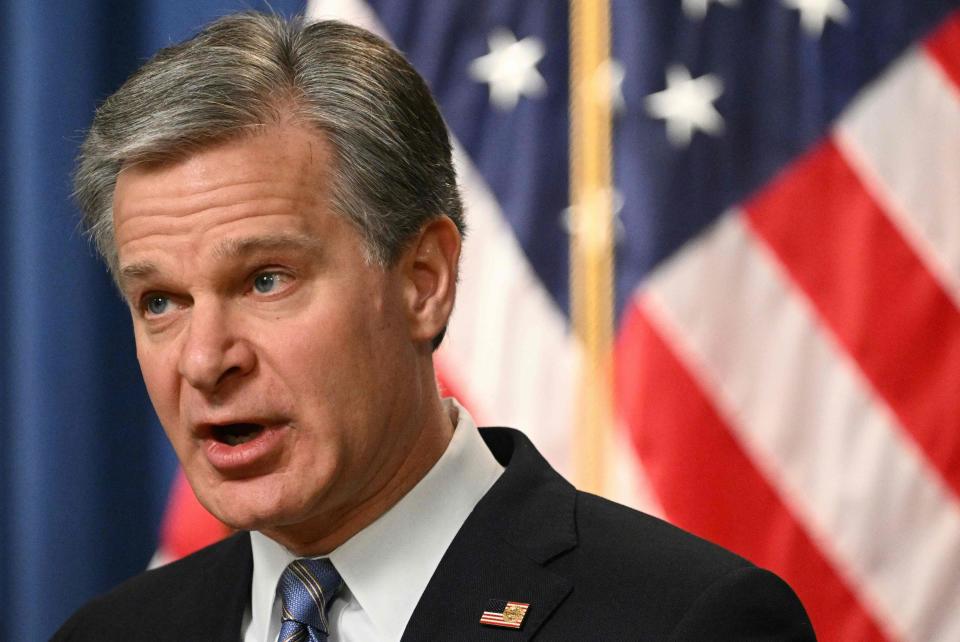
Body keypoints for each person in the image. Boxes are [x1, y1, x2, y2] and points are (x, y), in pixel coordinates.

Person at [54, 11, 815, 641]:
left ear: (424, 282)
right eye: (160, 301)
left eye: (265, 280)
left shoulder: (687, 622)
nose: (203, 360)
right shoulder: (111, 635)